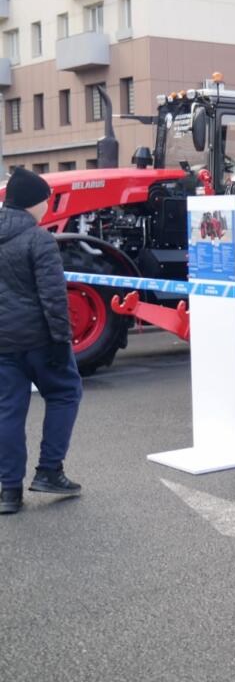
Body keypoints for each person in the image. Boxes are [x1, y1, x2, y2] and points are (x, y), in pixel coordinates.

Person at [0, 167, 84, 516]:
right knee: (66, 392)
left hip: (2, 342)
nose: (47, 208)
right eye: (45, 202)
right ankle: (50, 470)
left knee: (8, 410)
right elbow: (53, 298)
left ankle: (8, 492)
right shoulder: (39, 240)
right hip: (38, 339)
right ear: (32, 204)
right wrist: (61, 341)